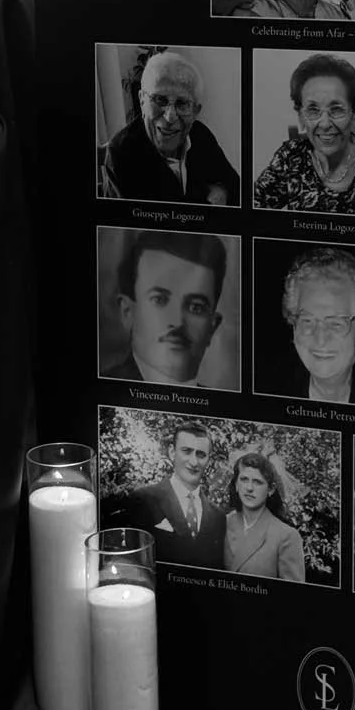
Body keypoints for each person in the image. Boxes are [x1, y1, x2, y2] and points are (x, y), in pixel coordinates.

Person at [253, 53, 355, 217]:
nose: (324, 124)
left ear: (354, 115)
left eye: (337, 109)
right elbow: (251, 210)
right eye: (313, 110)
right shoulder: (290, 156)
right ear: (301, 117)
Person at [101, 50, 239, 206]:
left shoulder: (200, 134)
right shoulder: (121, 153)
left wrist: (224, 191)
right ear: (141, 100)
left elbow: (235, 187)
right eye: (160, 99)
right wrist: (209, 200)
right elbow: (154, 226)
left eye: (182, 103)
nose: (170, 117)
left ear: (195, 111)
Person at [102, 230, 235, 390]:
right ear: (128, 312)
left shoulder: (219, 406)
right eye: (159, 300)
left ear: (212, 327)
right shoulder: (103, 389)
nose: (177, 322)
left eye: (196, 307)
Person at [266, 246, 355, 405]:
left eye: (336, 324)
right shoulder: (265, 391)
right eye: (307, 321)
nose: (320, 339)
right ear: (294, 326)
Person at [112, 420, 226, 569]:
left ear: (208, 461)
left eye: (201, 454)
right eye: (186, 451)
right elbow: (131, 562)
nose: (193, 461)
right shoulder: (143, 500)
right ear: (172, 453)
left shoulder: (218, 516)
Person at [223, 452, 305, 582]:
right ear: (236, 485)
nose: (249, 488)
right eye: (244, 480)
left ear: (271, 489)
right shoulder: (223, 523)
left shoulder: (286, 536)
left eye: (257, 482)